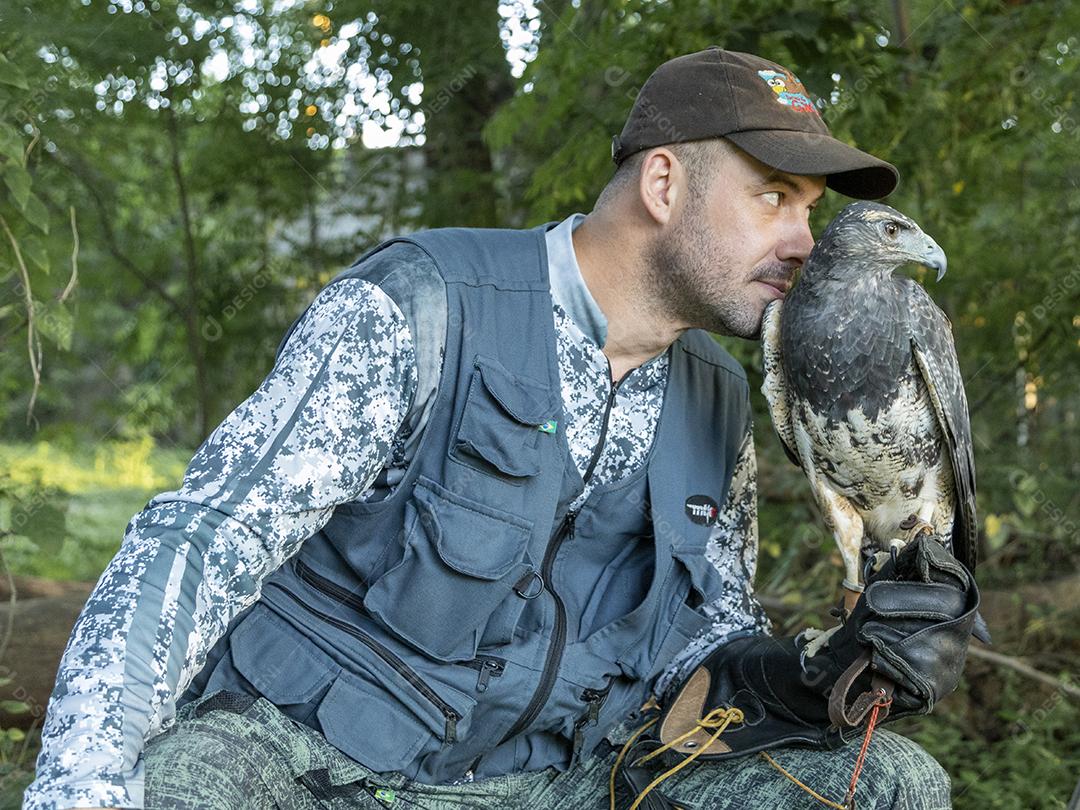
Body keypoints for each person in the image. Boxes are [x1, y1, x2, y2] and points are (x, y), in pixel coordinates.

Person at [24, 47, 964, 810]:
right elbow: (204, 537)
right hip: (312, 766)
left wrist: (811, 674)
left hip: (552, 784)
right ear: (665, 185)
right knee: (187, 790)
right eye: (774, 197)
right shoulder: (422, 306)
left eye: (810, 210)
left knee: (888, 785)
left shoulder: (722, 394)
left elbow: (701, 636)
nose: (805, 242)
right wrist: (81, 783)